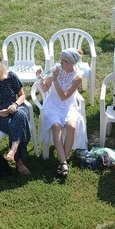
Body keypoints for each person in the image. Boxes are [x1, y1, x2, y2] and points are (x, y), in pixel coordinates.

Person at [35, 48, 87, 177]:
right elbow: (45, 88)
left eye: (64, 61)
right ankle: (64, 162)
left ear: (71, 63)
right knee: (56, 126)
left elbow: (64, 96)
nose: (61, 63)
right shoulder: (56, 70)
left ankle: (62, 160)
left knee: (71, 127)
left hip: (68, 106)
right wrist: (40, 78)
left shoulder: (77, 77)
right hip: (52, 105)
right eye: (61, 60)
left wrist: (55, 79)